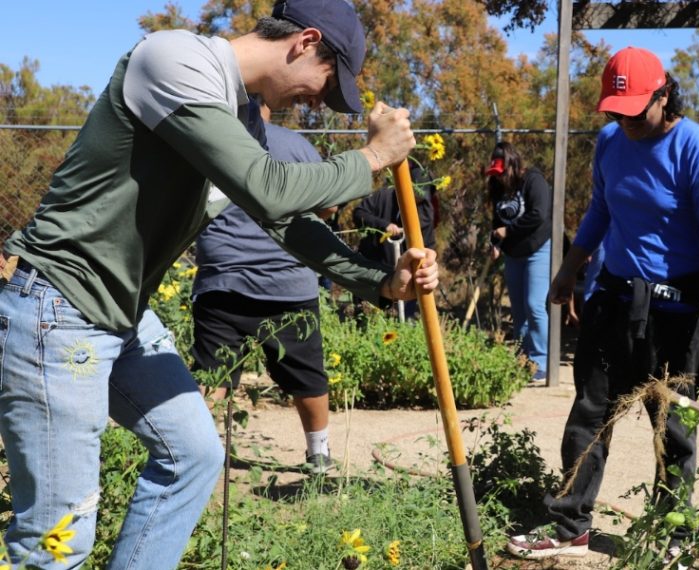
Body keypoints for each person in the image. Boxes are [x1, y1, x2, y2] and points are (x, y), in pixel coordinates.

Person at [0, 0, 438, 567]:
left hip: (121, 315)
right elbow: (269, 188)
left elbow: (283, 220)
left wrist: (379, 281)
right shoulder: (174, 60)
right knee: (56, 540)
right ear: (305, 42)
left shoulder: (242, 117)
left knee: (193, 457)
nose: (316, 103)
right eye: (325, 85)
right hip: (61, 306)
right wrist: (373, 156)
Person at [507, 47, 699, 564]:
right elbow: (601, 210)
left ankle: (672, 533)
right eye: (616, 110)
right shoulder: (611, 142)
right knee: (588, 416)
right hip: (612, 299)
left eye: (635, 109)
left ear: (664, 94)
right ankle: (571, 525)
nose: (624, 120)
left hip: (678, 315)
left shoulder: (698, 150)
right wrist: (569, 270)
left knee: (672, 430)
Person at [190, 101, 337, 473]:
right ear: (269, 103)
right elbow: (328, 207)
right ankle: (319, 453)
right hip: (287, 281)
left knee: (214, 374)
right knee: (307, 375)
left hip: (222, 280)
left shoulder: (206, 143)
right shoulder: (296, 146)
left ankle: (195, 456)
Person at [485, 142, 553, 383]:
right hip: (513, 253)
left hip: (538, 248)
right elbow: (498, 221)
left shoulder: (533, 181)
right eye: (495, 173)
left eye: (502, 172)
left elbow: (539, 214)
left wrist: (508, 231)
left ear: (512, 165)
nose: (499, 177)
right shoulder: (498, 188)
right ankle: (523, 359)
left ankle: (541, 361)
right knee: (518, 310)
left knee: (534, 304)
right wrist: (495, 243)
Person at [352, 162, 437, 317]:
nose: (417, 200)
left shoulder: (426, 211)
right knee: (366, 316)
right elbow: (359, 213)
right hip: (373, 267)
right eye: (414, 194)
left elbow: (429, 243)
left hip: (406, 277)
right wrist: (384, 225)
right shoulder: (384, 196)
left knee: (401, 319)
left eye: (421, 197)